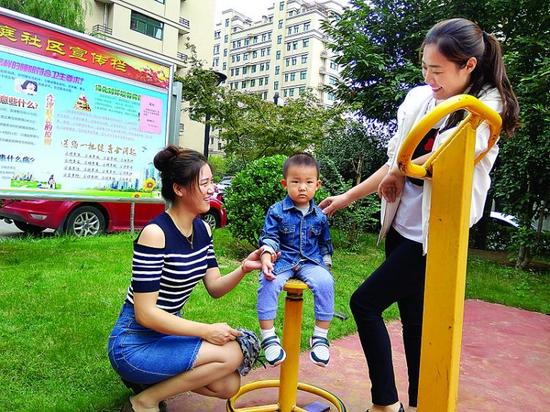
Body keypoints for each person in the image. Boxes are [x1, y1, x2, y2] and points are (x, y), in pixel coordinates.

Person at [319, 18, 519, 412]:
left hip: (435, 235)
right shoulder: (421, 98)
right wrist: (347, 197)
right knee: (415, 323)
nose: (429, 77)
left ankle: (385, 402)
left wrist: (399, 169)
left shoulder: (483, 107)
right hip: (400, 228)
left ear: (468, 67)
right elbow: (396, 159)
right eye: (425, 67)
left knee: (365, 303)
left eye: (438, 70)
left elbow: (443, 158)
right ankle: (419, 402)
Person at [107, 145, 274, 412]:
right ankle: (143, 402)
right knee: (232, 353)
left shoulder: (203, 229)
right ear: (179, 189)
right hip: (134, 343)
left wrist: (243, 268)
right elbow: (145, 314)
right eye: (205, 183)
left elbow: (215, 287)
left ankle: (148, 384)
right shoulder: (155, 234)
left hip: (167, 336)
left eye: (212, 182)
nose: (212, 189)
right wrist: (207, 331)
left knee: (228, 385)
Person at [258, 153, 334, 367]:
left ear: (317, 185)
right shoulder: (276, 211)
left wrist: (326, 265)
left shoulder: (319, 215)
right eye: (296, 182)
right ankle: (269, 337)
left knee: (326, 282)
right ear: (285, 184)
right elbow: (270, 237)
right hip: (283, 259)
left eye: (308, 182)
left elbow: (324, 242)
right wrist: (266, 256)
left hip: (311, 261)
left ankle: (320, 336)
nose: (302, 187)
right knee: (268, 281)